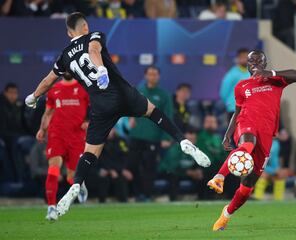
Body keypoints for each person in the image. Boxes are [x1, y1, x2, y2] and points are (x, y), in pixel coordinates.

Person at [25, 12, 210, 217]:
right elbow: (94, 49)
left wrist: (33, 96)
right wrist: (102, 70)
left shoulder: (64, 56)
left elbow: (48, 81)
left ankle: (76, 185)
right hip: (122, 94)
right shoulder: (93, 35)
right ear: (85, 27)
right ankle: (184, 141)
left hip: (101, 106)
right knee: (153, 112)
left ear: (69, 33)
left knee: (90, 152)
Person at [206, 50, 296, 231]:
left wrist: (271, 74)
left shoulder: (276, 81)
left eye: (259, 61)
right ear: (247, 65)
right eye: (251, 61)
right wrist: (228, 133)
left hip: (266, 133)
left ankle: (226, 214)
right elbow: (238, 111)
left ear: (264, 64)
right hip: (246, 124)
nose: (255, 63)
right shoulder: (241, 86)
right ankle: (219, 177)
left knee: (248, 185)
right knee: (247, 144)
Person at [35, 72, 89, 220]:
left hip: (76, 136)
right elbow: (48, 113)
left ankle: (80, 185)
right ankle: (51, 208)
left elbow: (95, 110)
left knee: (71, 177)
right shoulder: (54, 89)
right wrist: (42, 129)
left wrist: (88, 121)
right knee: (53, 169)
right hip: (56, 134)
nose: (66, 70)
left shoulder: (84, 88)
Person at [128, 66, 173, 201]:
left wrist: (166, 137)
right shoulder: (138, 91)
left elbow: (168, 115)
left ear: (158, 77)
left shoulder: (164, 95)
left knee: (149, 168)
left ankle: (147, 195)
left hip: (153, 137)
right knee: (133, 166)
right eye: (150, 74)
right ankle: (136, 194)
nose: (152, 77)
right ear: (145, 76)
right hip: (136, 135)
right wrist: (130, 117)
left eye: (155, 74)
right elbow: (129, 106)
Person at [0, 83, 30, 182]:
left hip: (18, 136)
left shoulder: (19, 106)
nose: (13, 96)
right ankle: (16, 179)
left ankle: (25, 179)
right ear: (5, 93)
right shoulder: (2, 106)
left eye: (15, 93)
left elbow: (24, 124)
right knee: (16, 144)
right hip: (5, 137)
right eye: (10, 93)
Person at [97, 128, 133, 203]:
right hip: (104, 168)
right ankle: (102, 201)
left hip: (118, 169)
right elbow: (101, 159)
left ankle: (123, 201)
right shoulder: (100, 142)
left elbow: (125, 156)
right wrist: (110, 170)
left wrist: (121, 170)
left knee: (122, 178)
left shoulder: (120, 141)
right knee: (103, 177)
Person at [220, 48, 250, 118]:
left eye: (246, 57)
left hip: (249, 109)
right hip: (234, 109)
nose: (244, 59)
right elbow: (224, 92)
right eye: (242, 57)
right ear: (238, 59)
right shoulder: (232, 74)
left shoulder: (253, 73)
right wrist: (229, 104)